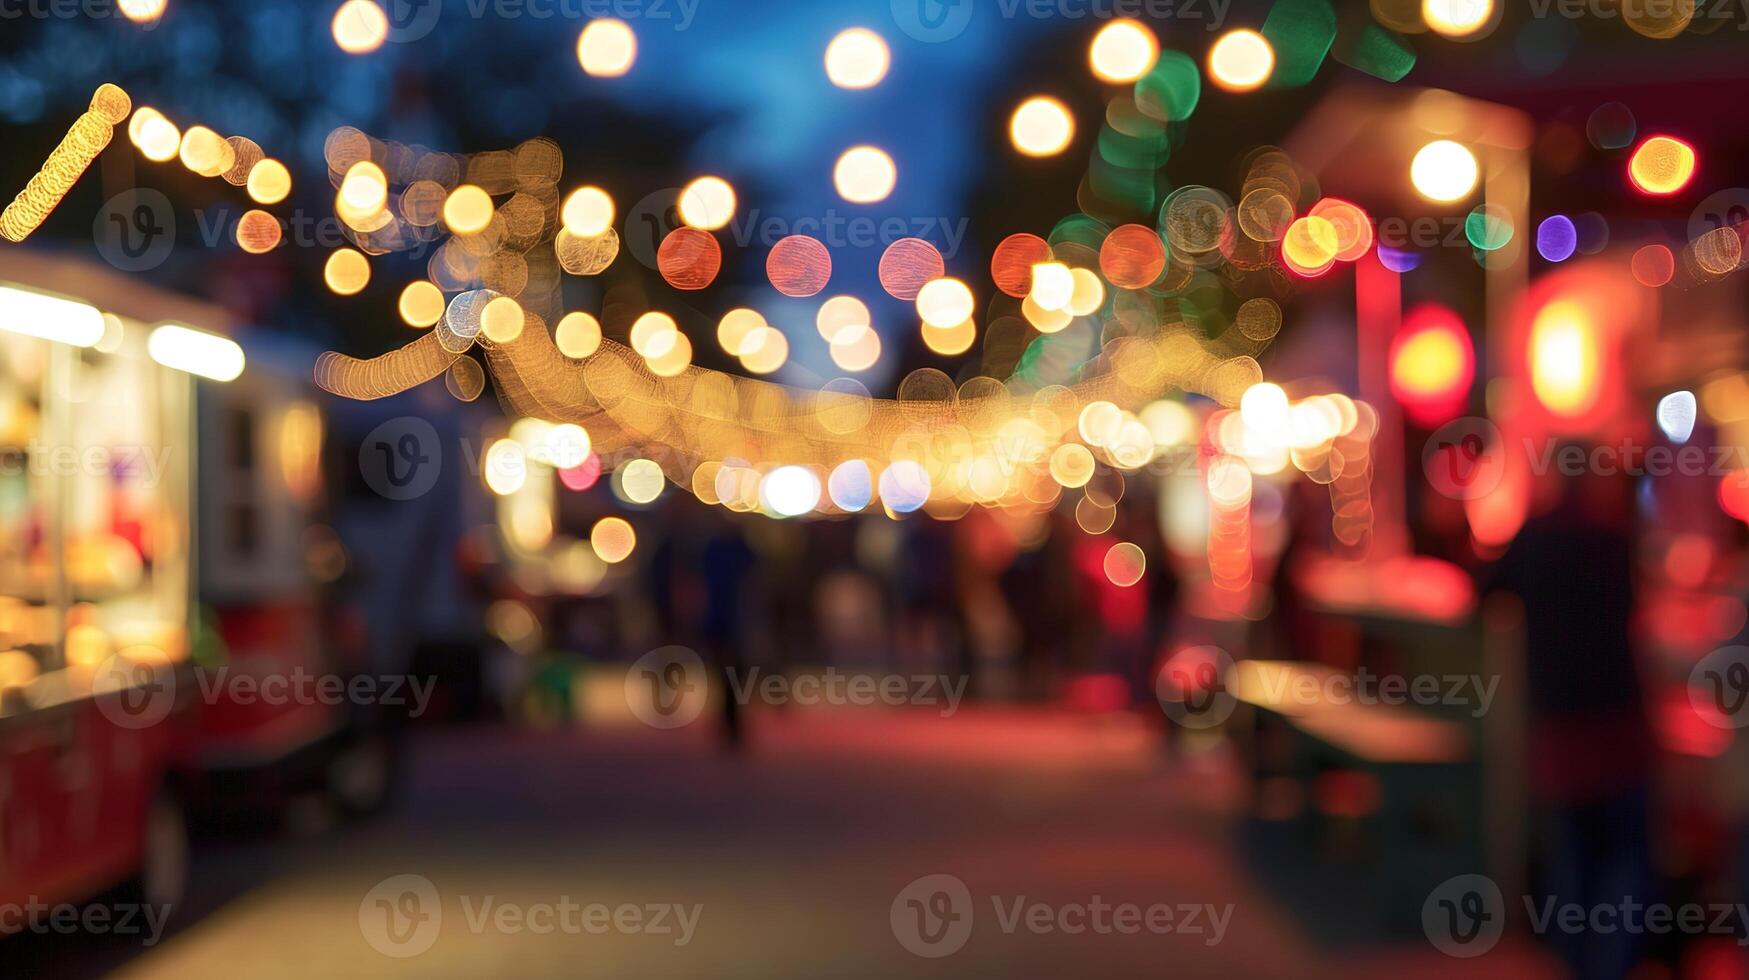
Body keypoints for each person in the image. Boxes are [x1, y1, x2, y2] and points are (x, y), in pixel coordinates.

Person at [1484, 448, 1653, 980]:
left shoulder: (1535, 536)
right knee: (1624, 860)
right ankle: (1614, 965)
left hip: (1560, 723)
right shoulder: (1615, 537)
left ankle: (1578, 966)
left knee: (1572, 861)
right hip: (1619, 721)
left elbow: (1482, 592)